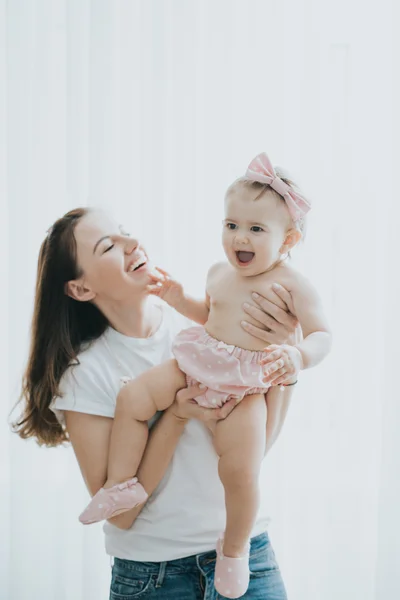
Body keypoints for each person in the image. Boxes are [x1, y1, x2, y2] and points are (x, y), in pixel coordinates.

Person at [14, 205, 299, 600]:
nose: (132, 244)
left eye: (126, 231)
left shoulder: (203, 328)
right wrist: (177, 415)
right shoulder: (85, 373)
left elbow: (258, 446)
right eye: (109, 245)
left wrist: (287, 364)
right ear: (80, 289)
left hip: (246, 555)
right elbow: (121, 512)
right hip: (155, 576)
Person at [79, 152, 331, 598]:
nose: (239, 237)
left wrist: (296, 359)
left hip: (247, 383)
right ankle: (120, 487)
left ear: (288, 239)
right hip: (200, 361)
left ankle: (233, 550)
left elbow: (321, 334)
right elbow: (208, 316)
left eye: (256, 228)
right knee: (133, 399)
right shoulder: (219, 272)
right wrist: (179, 298)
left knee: (240, 469)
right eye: (231, 225)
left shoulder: (294, 285)